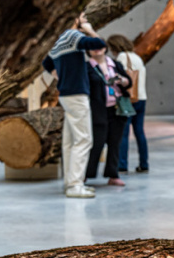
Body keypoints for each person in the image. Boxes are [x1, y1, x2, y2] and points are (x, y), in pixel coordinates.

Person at [42, 13, 106, 198]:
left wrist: (57, 74)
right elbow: (99, 44)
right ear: (75, 20)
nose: (85, 19)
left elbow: (46, 62)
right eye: (82, 17)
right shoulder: (72, 36)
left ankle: (70, 183)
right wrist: (89, 30)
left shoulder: (58, 39)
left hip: (66, 94)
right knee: (84, 139)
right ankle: (75, 185)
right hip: (77, 94)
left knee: (70, 141)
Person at [85, 46, 131, 186]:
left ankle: (113, 175)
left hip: (117, 109)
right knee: (96, 143)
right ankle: (86, 174)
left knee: (115, 143)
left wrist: (122, 80)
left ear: (105, 48)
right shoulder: (87, 67)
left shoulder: (115, 64)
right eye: (93, 47)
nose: (97, 49)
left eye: (100, 46)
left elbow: (129, 82)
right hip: (98, 110)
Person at [107, 35, 149, 173]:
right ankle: (144, 164)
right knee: (139, 132)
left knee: (123, 133)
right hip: (141, 98)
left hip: (127, 99)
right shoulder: (137, 57)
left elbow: (119, 78)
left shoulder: (122, 57)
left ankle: (122, 165)